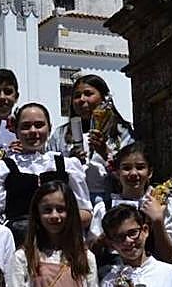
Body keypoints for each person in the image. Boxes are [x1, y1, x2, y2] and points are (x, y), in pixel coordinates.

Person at [0, 102, 92, 244]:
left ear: (49, 128)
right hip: (20, 245)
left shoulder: (67, 165)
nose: (32, 131)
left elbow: (85, 213)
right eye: (25, 126)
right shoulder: (2, 168)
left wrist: (53, 222)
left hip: (61, 244)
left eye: (39, 125)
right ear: (16, 131)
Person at [50, 73, 133, 204]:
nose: (82, 99)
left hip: (112, 200)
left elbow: (132, 168)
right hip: (73, 201)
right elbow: (50, 169)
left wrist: (105, 153)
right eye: (77, 96)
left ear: (104, 97)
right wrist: (69, 162)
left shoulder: (121, 131)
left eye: (88, 94)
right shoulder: (60, 134)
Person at [88, 144, 172, 264]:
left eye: (140, 167)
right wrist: (105, 238)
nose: (133, 173)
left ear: (150, 172)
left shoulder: (161, 204)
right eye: (126, 168)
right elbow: (91, 252)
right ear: (117, 172)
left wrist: (157, 221)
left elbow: (168, 255)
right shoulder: (105, 207)